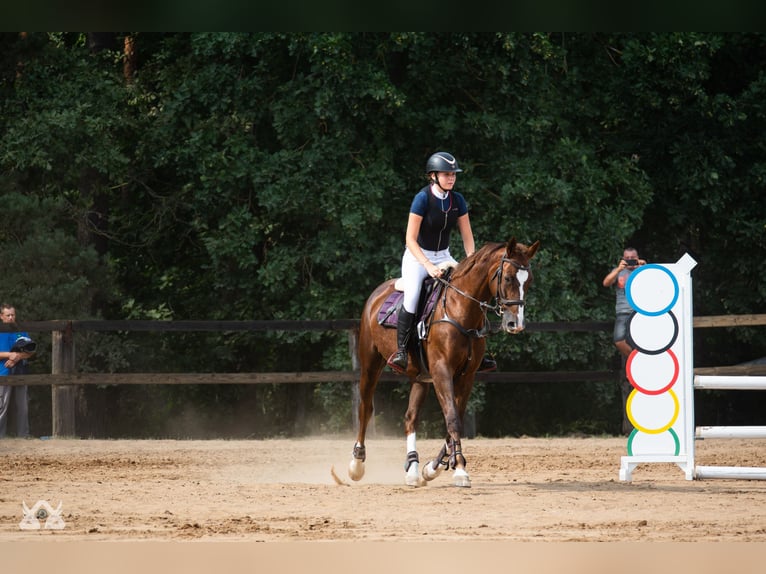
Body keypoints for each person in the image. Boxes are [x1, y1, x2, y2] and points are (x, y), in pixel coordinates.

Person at [387, 151, 496, 374]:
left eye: (453, 174)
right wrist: (427, 266)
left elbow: (467, 236)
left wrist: (472, 263)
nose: (451, 178)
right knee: (414, 293)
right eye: (447, 174)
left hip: (444, 255)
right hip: (417, 256)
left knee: (473, 291)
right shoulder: (423, 198)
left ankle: (480, 353)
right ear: (433, 176)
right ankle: (401, 352)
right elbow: (409, 238)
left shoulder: (458, 200)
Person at [602, 247, 647, 357]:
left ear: (638, 258)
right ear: (623, 259)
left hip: (641, 312)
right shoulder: (618, 271)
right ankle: (636, 360)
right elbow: (606, 283)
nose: (630, 260)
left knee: (643, 343)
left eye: (633, 258)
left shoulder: (644, 270)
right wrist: (618, 269)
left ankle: (643, 362)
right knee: (619, 341)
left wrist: (644, 267)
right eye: (627, 258)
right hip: (623, 311)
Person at [0, 303, 36, 438]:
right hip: (2, 373)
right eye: (8, 315)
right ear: (1, 316)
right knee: (1, 407)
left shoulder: (21, 330)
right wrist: (9, 355)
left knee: (23, 407)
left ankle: (23, 436)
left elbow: (31, 351)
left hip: (20, 373)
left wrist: (18, 356)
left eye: (13, 315)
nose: (10, 318)